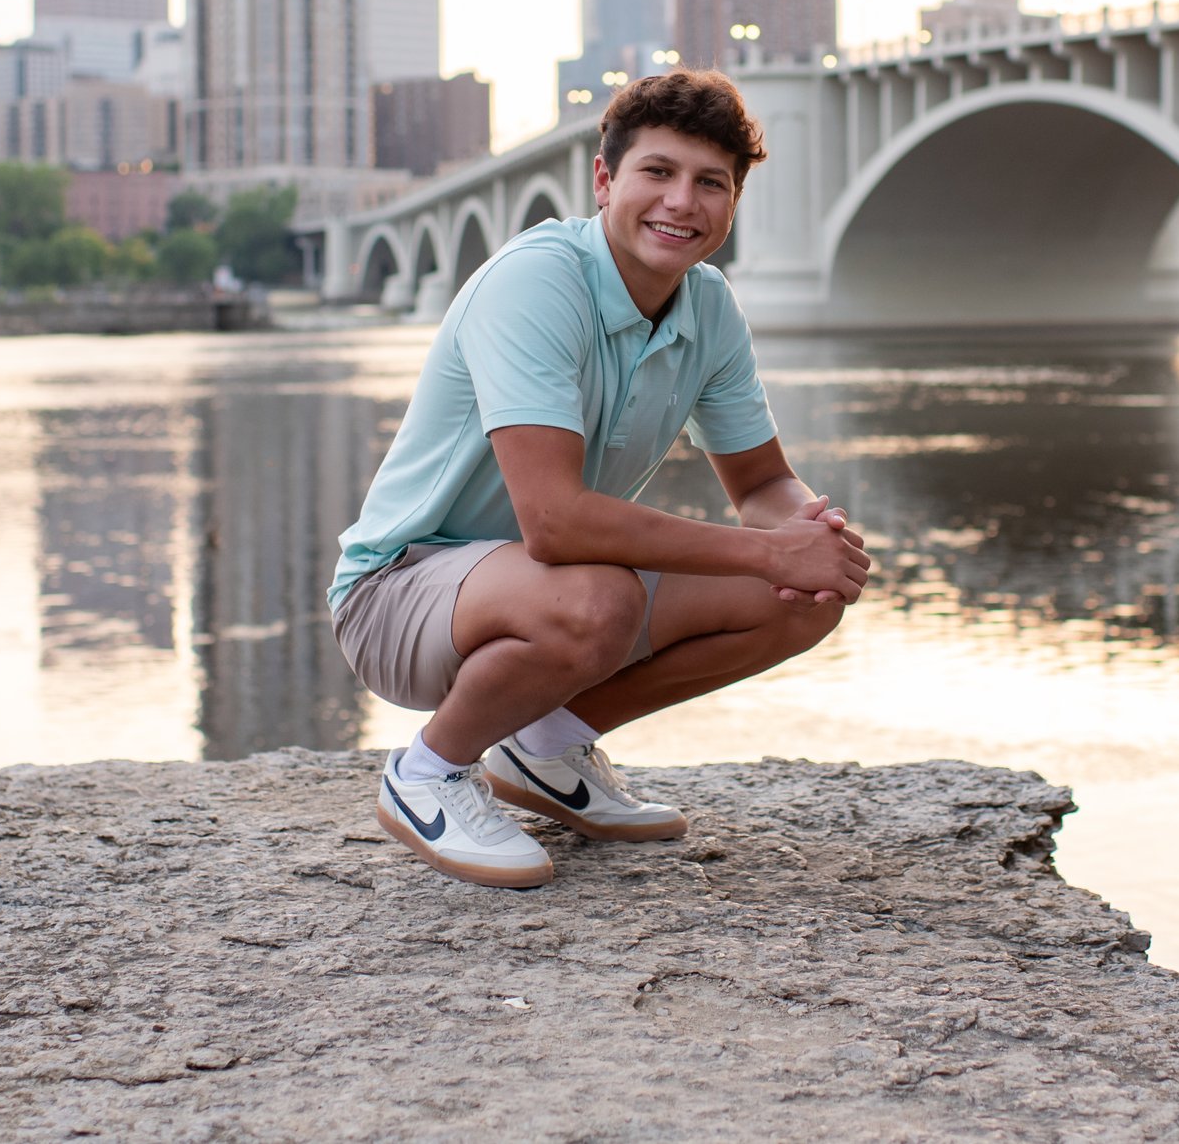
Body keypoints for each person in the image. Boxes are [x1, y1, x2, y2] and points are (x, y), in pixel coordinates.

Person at [328, 69, 874, 888]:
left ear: (731, 204)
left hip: (547, 585)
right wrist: (766, 553)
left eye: (709, 183)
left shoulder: (709, 307)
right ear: (605, 179)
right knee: (600, 596)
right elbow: (555, 522)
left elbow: (761, 482)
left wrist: (810, 533)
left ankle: (546, 747)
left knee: (804, 599)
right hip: (399, 593)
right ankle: (429, 774)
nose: (681, 202)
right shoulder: (537, 282)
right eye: (658, 172)